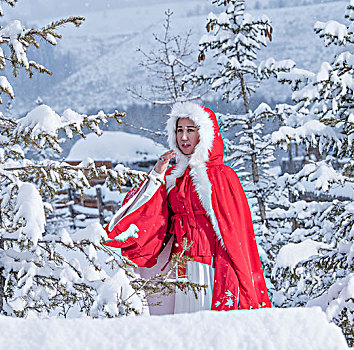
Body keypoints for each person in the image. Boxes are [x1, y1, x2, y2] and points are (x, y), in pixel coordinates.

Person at [104, 102, 271, 314]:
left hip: (211, 266)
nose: (183, 137)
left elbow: (234, 234)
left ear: (204, 134)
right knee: (184, 325)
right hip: (180, 265)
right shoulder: (174, 176)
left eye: (190, 130)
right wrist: (157, 174)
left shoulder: (221, 176)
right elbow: (149, 213)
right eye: (179, 130)